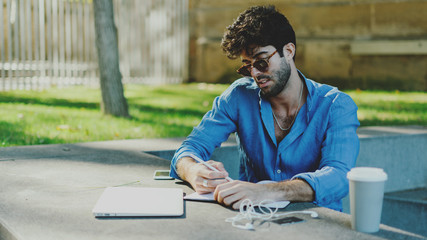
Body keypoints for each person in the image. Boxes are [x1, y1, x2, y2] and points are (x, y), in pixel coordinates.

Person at [170, 5, 360, 211]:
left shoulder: (335, 105)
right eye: (246, 66)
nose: (255, 73)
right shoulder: (239, 96)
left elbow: (339, 177)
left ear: (288, 51)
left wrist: (267, 191)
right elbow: (188, 149)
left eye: (261, 62)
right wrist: (193, 170)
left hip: (318, 223)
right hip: (253, 222)